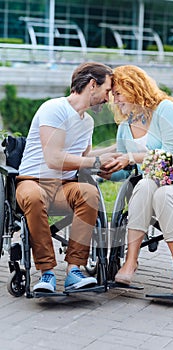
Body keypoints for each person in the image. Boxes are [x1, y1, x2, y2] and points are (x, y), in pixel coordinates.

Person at [16, 62, 122, 293]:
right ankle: (47, 273)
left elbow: (82, 157)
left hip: (64, 186)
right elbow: (54, 158)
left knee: (90, 193)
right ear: (92, 85)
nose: (108, 99)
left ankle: (74, 269)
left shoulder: (88, 121)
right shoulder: (54, 108)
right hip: (32, 181)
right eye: (107, 91)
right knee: (33, 197)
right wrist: (94, 162)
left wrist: (115, 151)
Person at [105, 64, 173, 294]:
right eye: (113, 95)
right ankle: (130, 262)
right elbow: (125, 171)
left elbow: (169, 154)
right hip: (152, 188)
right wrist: (108, 171)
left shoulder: (165, 109)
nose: (116, 100)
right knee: (145, 184)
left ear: (134, 88)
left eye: (118, 93)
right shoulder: (125, 127)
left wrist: (130, 157)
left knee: (163, 192)